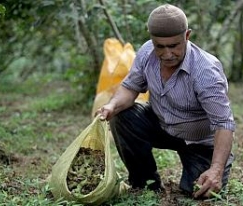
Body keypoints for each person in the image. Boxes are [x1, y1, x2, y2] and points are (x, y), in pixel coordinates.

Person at [95, 4, 235, 199]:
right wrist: (111, 106)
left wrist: (216, 170)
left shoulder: (206, 72)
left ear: (187, 36)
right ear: (152, 39)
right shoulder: (146, 52)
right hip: (162, 126)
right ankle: (144, 182)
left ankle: (202, 168)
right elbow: (131, 87)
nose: (167, 54)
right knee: (122, 116)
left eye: (174, 46)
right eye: (159, 46)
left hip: (199, 141)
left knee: (200, 192)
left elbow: (224, 123)